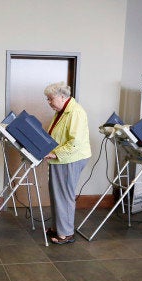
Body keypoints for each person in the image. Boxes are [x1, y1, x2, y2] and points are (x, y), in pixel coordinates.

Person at [43, 82, 91, 244]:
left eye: (51, 99)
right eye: (47, 99)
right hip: (61, 158)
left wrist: (54, 153)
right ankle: (58, 227)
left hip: (70, 158)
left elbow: (75, 143)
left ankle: (66, 233)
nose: (49, 102)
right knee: (57, 193)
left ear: (62, 97)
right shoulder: (62, 111)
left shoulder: (75, 112)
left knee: (64, 195)